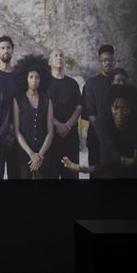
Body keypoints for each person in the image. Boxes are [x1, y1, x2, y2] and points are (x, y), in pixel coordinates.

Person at [62, 84, 137, 178]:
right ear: (109, 108)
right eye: (115, 108)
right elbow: (104, 164)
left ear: (132, 110)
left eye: (125, 109)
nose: (119, 114)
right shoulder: (104, 129)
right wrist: (83, 169)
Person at [13, 54, 55, 179]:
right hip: (23, 151)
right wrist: (31, 154)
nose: (34, 80)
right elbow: (17, 131)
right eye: (31, 77)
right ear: (25, 78)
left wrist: (39, 155)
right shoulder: (18, 100)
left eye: (37, 77)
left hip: (44, 152)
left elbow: (50, 132)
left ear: (41, 79)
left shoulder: (47, 100)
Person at [81, 44, 115, 178]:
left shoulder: (119, 82)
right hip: (97, 141)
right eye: (104, 60)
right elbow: (90, 116)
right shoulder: (91, 85)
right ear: (99, 62)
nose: (107, 63)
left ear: (114, 61)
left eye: (110, 60)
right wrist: (105, 139)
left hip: (118, 139)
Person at [47, 49, 82, 179]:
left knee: (71, 176)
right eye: (55, 56)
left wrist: (67, 125)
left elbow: (79, 107)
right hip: (51, 139)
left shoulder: (72, 83)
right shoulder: (45, 83)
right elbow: (42, 107)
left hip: (71, 139)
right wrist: (57, 124)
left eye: (61, 55)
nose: (59, 57)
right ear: (50, 62)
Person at [0, 35, 19, 179]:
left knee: (16, 174)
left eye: (8, 47)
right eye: (2, 48)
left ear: (12, 50)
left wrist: (13, 128)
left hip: (16, 133)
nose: (5, 51)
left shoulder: (19, 75)